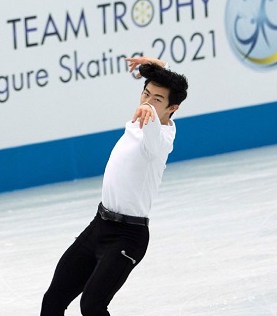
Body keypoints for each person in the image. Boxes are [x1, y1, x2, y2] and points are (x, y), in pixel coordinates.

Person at [40, 56, 189, 316]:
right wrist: (158, 67)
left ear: (172, 108)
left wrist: (150, 114)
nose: (147, 102)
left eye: (156, 100)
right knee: (53, 299)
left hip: (128, 236)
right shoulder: (145, 115)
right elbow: (159, 91)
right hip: (99, 225)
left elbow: (153, 138)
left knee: (92, 306)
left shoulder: (162, 138)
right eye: (146, 94)